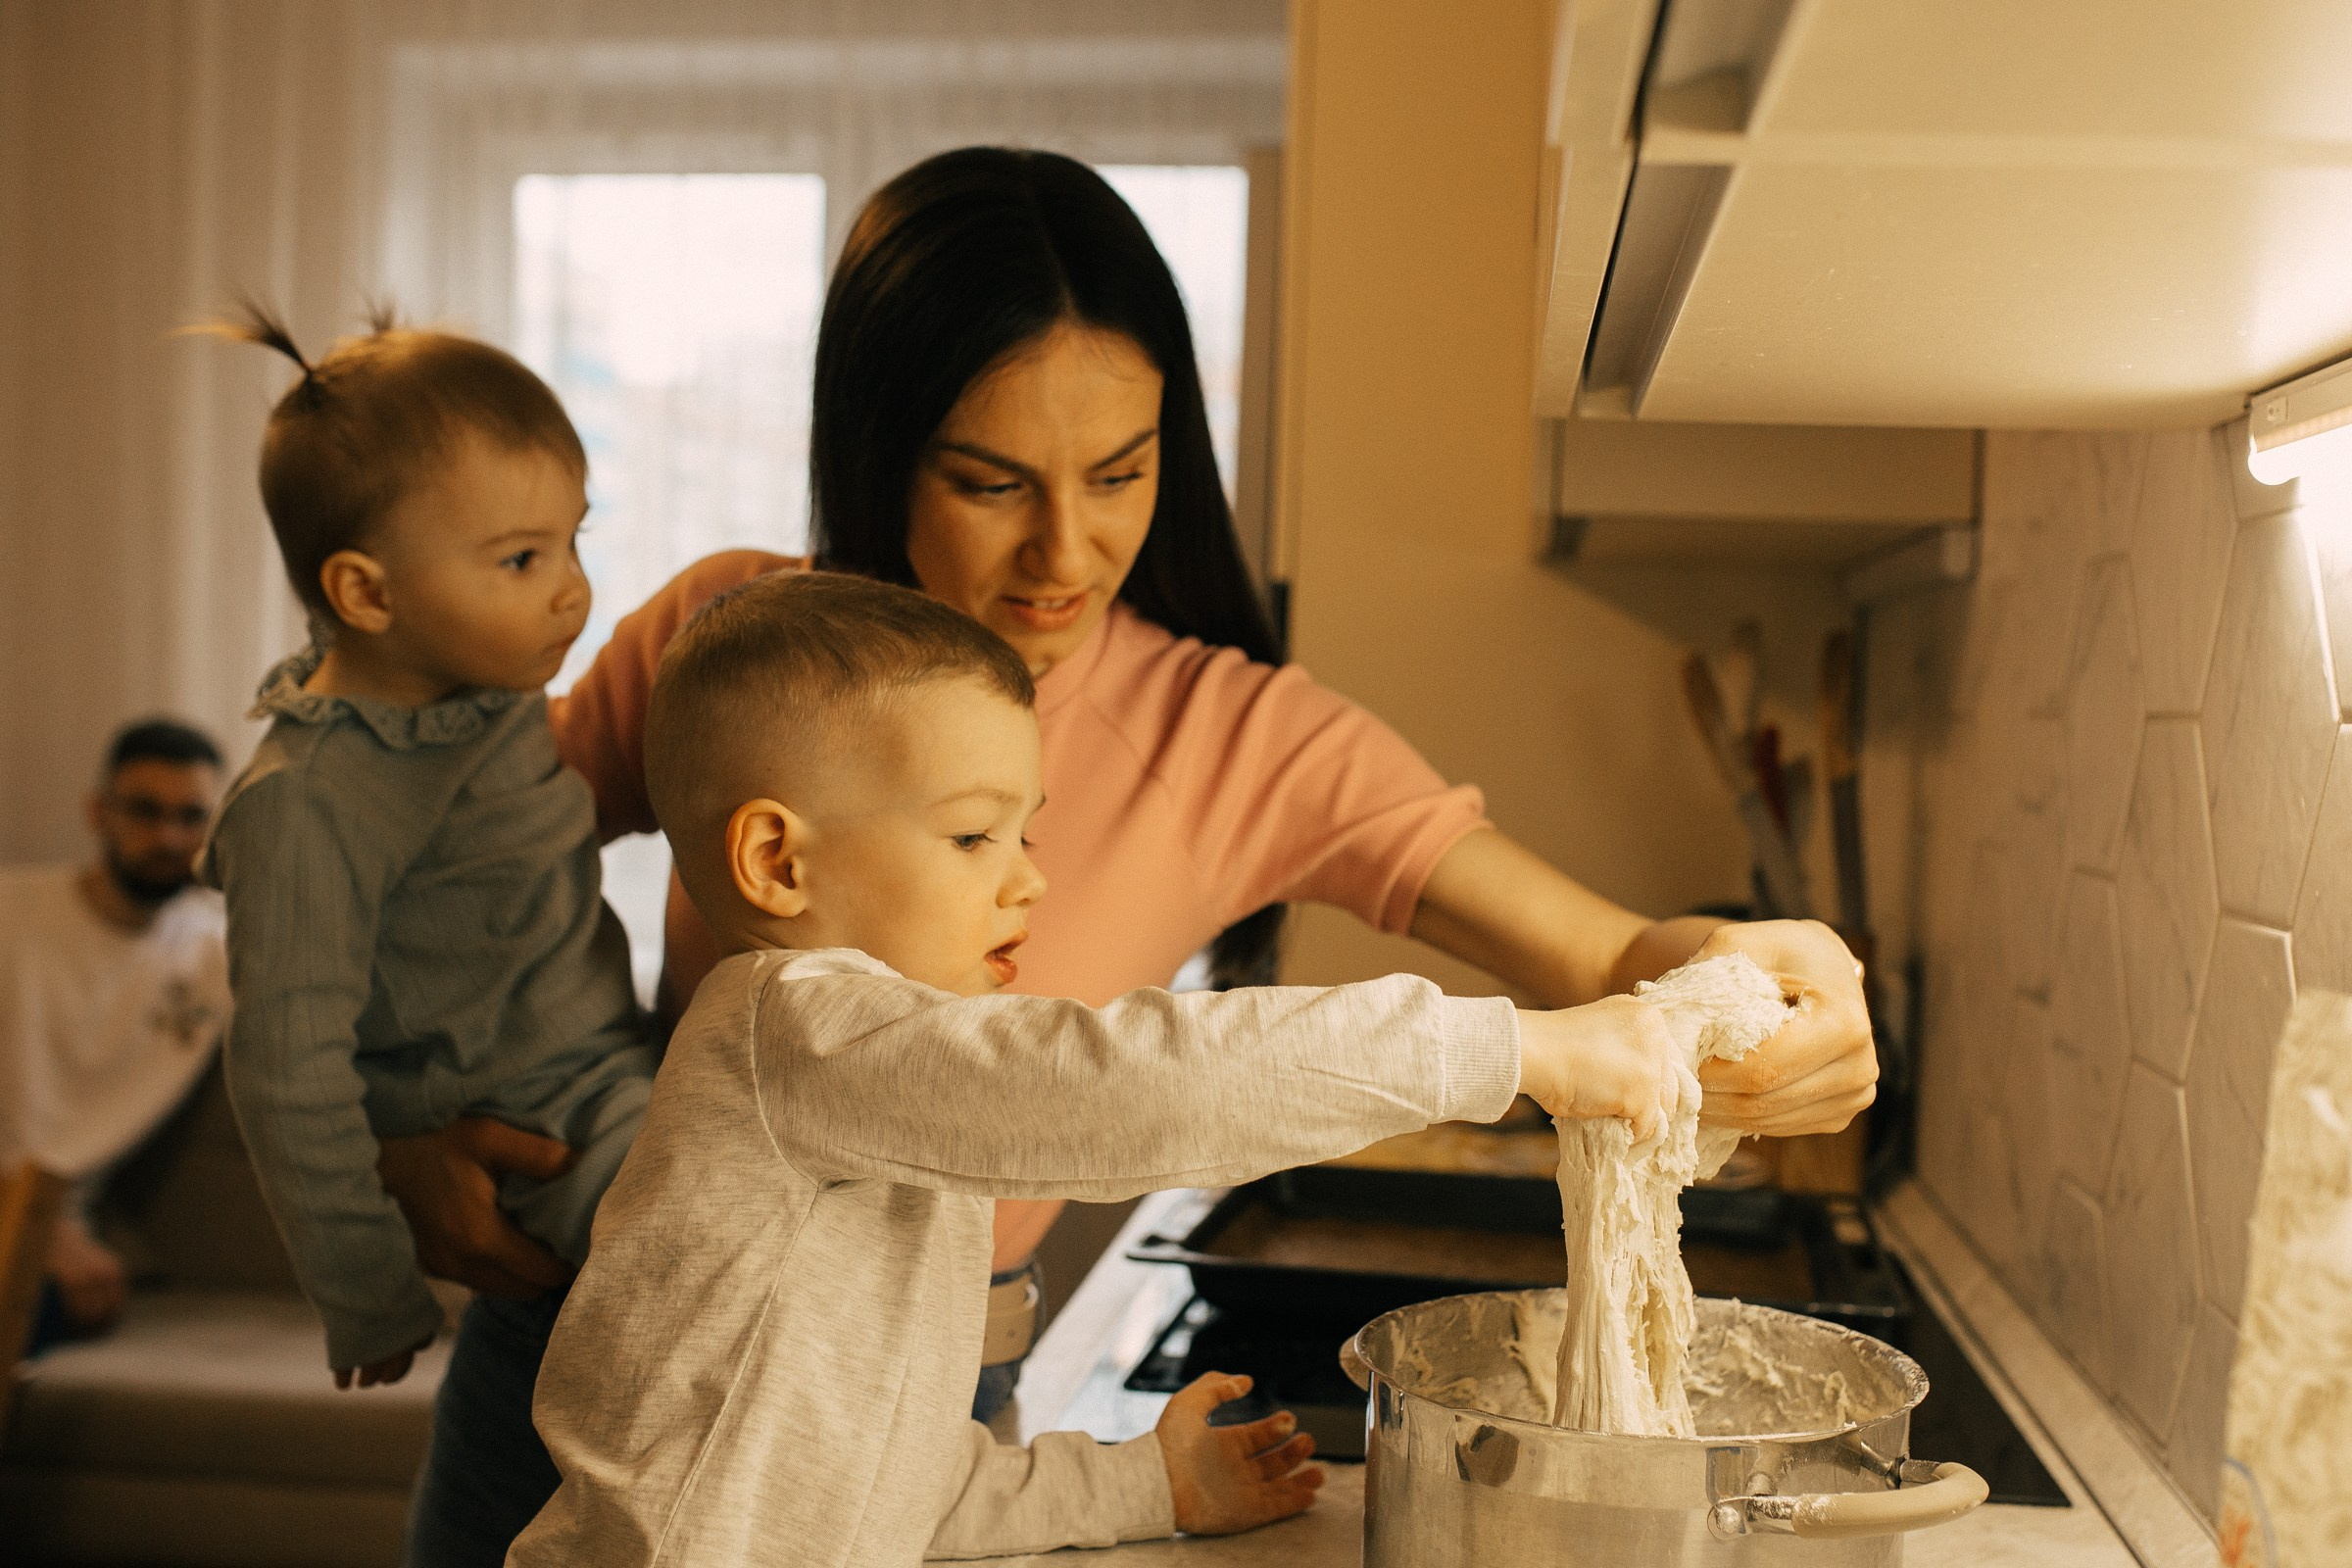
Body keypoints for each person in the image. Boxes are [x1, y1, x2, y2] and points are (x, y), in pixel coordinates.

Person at [384, 147, 1879, 1563]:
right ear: (883, 444)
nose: (1066, 554)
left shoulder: (1240, 735)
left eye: (1119, 472)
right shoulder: (750, 656)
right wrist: (394, 1121)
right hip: (583, 1337)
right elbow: (419, 867)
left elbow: (1611, 956)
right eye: (989, 482)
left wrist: (1759, 977)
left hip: (921, 1393)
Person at [512, 570, 1697, 1567]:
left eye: (1025, 832)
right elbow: (1137, 1083)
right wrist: (1515, 1048)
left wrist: (1147, 1489)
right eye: (975, 834)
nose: (1028, 878)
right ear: (778, 860)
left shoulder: (887, 1114)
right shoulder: (793, 1031)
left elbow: (895, 1481)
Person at [195, 309, 655, 1411]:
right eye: (521, 558)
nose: (572, 590)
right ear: (366, 594)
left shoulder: (480, 684)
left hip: (629, 1065)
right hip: (535, 1128)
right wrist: (364, 1284)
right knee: (729, 1261)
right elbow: (286, 1070)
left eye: (575, 538)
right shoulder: (304, 806)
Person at [0, 718, 231, 1353]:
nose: (166, 835)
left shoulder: (219, 955)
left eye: (190, 816)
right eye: (144, 811)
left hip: (43, 1245)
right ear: (98, 813)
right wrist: (38, 1227)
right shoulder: (12, 913)